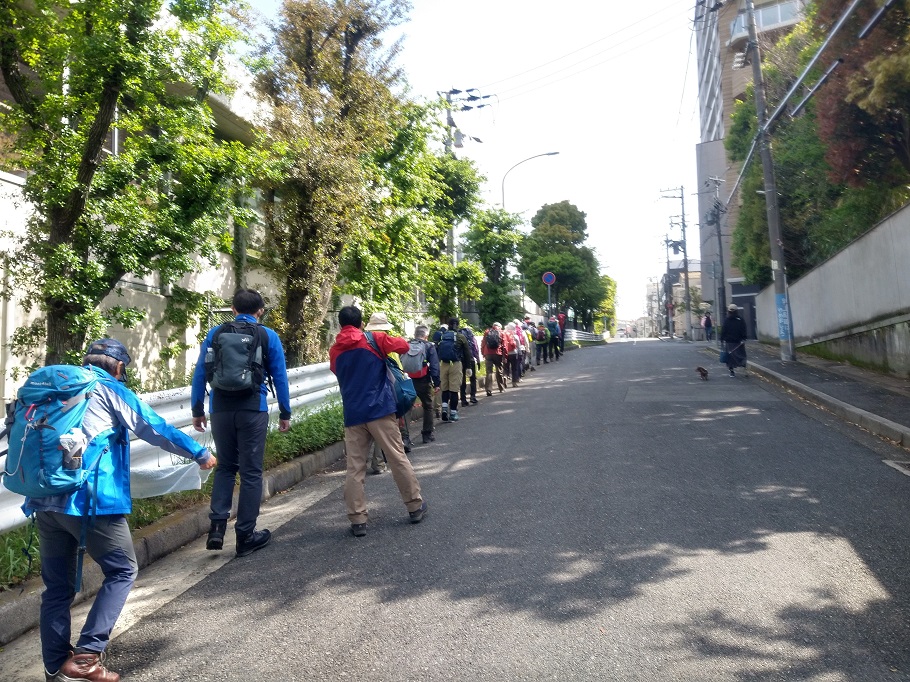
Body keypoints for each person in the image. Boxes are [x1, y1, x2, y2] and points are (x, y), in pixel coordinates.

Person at [31, 338, 216, 682]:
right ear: (118, 367)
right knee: (122, 570)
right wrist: (199, 452)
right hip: (90, 500)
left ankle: (57, 665)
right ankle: (86, 658)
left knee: (57, 588)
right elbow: (153, 426)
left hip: (44, 498)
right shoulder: (106, 387)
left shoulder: (52, 390)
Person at [191, 289, 292, 558]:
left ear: (233, 309)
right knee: (250, 472)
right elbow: (280, 376)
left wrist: (197, 409)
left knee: (226, 467)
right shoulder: (267, 335)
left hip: (220, 409)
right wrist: (285, 411)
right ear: (260, 310)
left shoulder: (215, 333)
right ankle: (246, 535)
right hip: (252, 408)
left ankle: (216, 529)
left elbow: (201, 372)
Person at [329, 305, 426, 537]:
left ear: (341, 325)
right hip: (380, 409)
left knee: (355, 467)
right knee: (396, 458)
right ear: (362, 323)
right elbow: (403, 346)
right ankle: (414, 506)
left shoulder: (335, 350)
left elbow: (337, 372)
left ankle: (358, 519)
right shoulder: (374, 339)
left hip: (353, 413)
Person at [408, 325, 441, 444]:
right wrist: (436, 383)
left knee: (407, 408)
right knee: (427, 406)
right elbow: (434, 366)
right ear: (426, 336)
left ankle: (405, 439)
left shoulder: (407, 344)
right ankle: (427, 434)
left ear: (414, 334)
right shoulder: (429, 346)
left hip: (408, 380)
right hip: (423, 380)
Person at [435, 317, 469, 422]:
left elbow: (435, 348)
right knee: (454, 390)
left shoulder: (441, 336)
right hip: (456, 364)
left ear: (448, 324)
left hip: (443, 364)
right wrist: (468, 367)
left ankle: (444, 408)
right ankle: (453, 413)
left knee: (445, 389)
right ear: (458, 325)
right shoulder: (461, 337)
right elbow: (467, 353)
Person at [720, 304, 748, 377]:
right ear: (736, 311)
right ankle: (744, 369)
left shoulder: (726, 320)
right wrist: (744, 338)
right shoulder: (740, 319)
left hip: (729, 342)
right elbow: (743, 329)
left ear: (728, 311)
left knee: (730, 358)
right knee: (741, 356)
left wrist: (722, 339)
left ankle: (732, 371)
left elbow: (724, 330)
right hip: (739, 342)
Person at [481, 322, 507, 395]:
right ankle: (501, 388)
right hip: (497, 353)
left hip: (488, 354)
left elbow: (483, 343)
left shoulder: (487, 332)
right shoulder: (501, 332)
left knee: (489, 372)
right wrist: (505, 356)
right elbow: (504, 346)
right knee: (499, 371)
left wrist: (483, 353)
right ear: (499, 327)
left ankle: (488, 390)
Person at [458, 323, 480, 406]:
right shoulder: (471, 337)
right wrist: (477, 359)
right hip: (470, 359)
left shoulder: (459, 337)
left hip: (461, 360)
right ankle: (472, 396)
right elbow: (475, 348)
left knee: (462, 379)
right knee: (472, 378)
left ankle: (463, 399)